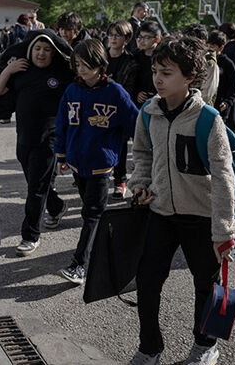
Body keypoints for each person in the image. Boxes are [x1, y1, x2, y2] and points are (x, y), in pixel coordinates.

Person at [127, 35, 235, 365]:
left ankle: (205, 345)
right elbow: (142, 153)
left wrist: (224, 229)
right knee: (147, 281)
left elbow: (223, 177)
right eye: (155, 70)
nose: (158, 79)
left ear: (189, 77)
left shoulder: (208, 119)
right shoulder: (148, 112)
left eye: (167, 73)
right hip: (159, 211)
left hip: (201, 217)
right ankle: (150, 347)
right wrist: (141, 183)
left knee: (205, 283)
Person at [54, 39, 138, 284]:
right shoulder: (72, 90)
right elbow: (62, 123)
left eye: (86, 64)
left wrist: (142, 157)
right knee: (89, 213)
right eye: (77, 64)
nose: (80, 69)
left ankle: (79, 265)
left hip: (101, 165)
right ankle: (104, 249)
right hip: (76, 162)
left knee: (92, 214)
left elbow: (136, 126)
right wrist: (61, 154)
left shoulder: (116, 92)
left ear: (100, 64)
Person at [0, 29, 73, 256]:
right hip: (24, 137)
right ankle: (56, 206)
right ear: (30, 50)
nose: (41, 53)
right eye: (37, 49)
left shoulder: (62, 73)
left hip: (49, 139)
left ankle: (30, 235)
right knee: (37, 184)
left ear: (53, 53)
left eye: (46, 49)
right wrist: (8, 69)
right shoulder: (22, 70)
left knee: (35, 189)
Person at [105, 20, 139, 199]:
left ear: (126, 38)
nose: (113, 38)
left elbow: (128, 88)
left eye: (117, 35)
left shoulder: (130, 61)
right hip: (100, 106)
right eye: (110, 34)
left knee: (121, 146)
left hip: (120, 108)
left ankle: (120, 181)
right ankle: (102, 179)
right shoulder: (101, 57)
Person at [206, 30, 235, 131]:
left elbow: (234, 84)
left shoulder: (228, 63)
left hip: (221, 105)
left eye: (213, 46)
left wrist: (228, 101)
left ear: (221, 47)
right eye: (209, 45)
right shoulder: (204, 60)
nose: (210, 48)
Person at [134, 21, 163, 106]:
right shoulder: (135, 57)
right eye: (140, 37)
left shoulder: (163, 58)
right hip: (138, 103)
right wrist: (137, 93)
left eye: (146, 38)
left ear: (157, 39)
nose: (142, 41)